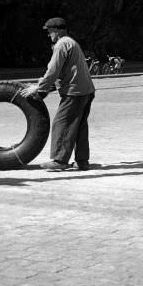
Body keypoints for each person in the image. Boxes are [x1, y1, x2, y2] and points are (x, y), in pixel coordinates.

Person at [21, 17, 95, 171]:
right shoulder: (71, 42)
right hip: (86, 90)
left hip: (74, 92)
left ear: (58, 30)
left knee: (63, 123)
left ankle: (60, 161)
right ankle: (82, 161)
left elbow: (53, 71)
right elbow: (64, 73)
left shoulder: (61, 45)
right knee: (79, 126)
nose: (49, 35)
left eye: (50, 31)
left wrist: (39, 88)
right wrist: (44, 89)